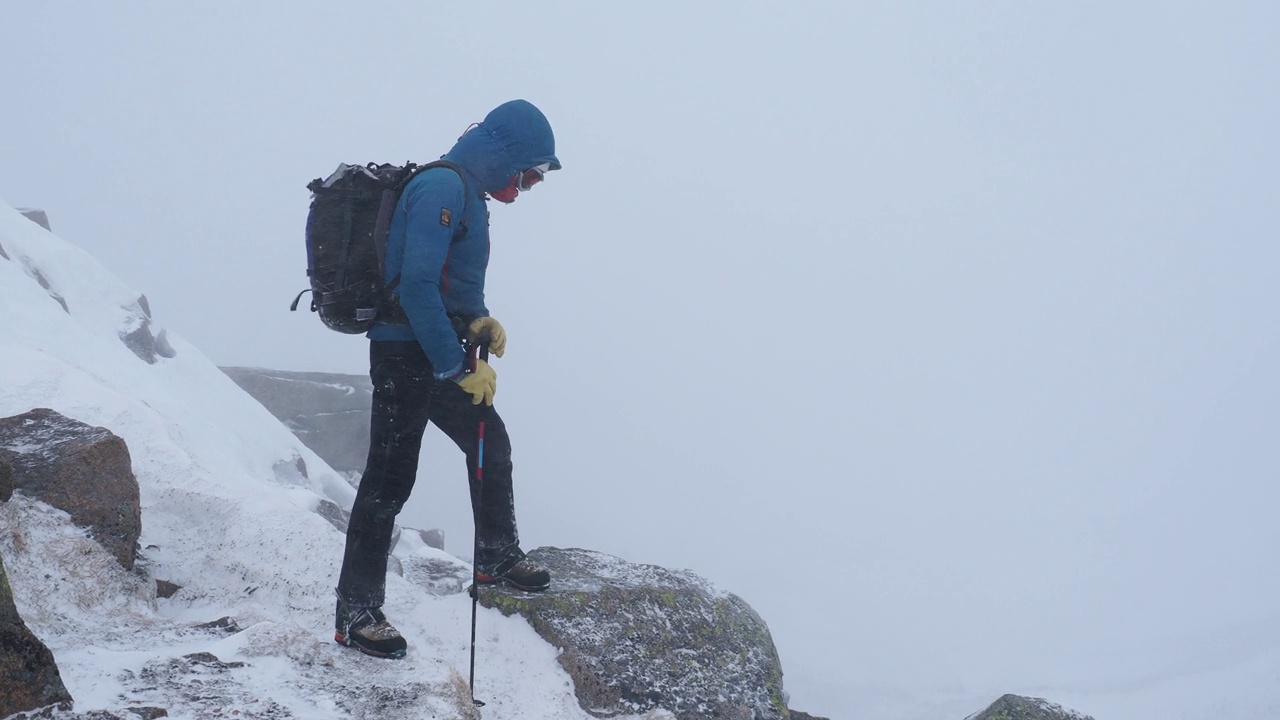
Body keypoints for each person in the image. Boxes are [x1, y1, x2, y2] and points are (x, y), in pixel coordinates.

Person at [334, 99, 561, 659]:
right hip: (405, 353)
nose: (528, 185)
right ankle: (356, 612)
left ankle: (495, 556)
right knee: (389, 480)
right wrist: (456, 366)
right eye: (529, 173)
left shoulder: (468, 194)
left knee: (491, 443)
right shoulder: (440, 188)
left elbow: (451, 280)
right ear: (505, 155)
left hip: (434, 348)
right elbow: (415, 288)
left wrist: (479, 319)